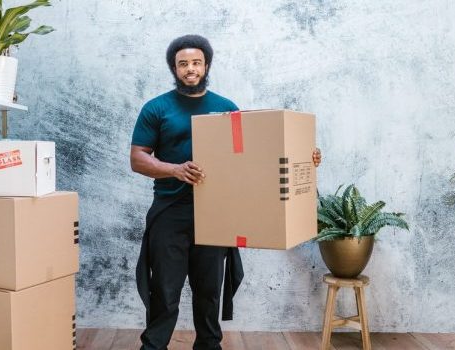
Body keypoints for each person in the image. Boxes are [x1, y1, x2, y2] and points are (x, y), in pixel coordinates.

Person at [130, 34, 322, 350]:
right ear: (174, 68)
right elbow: (137, 158)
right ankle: (153, 346)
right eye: (183, 64)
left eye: (196, 63)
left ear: (206, 65)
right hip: (170, 211)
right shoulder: (156, 108)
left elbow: (258, 155)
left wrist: (306, 155)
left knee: (209, 290)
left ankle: (209, 345)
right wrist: (175, 169)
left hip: (216, 212)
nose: (190, 69)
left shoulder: (226, 109)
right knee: (165, 290)